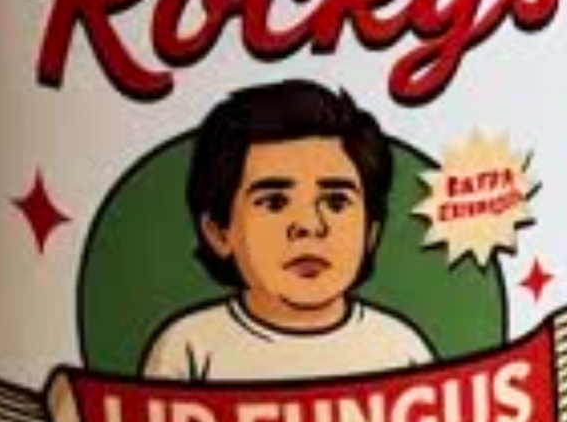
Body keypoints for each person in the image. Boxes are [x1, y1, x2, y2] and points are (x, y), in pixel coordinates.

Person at [141, 81, 433, 383]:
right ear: (218, 232)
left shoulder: (400, 348)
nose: (309, 226)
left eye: (335, 201)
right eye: (275, 202)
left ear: (370, 233)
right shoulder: (188, 348)